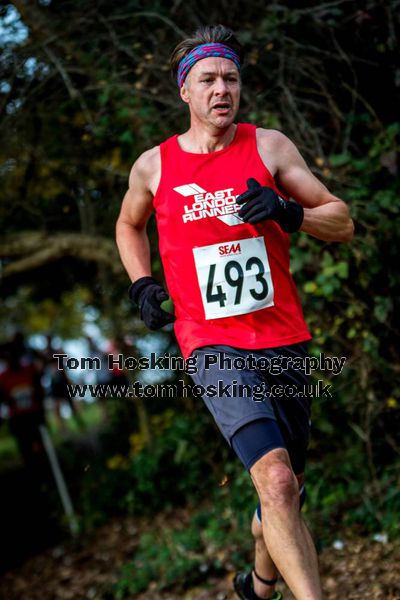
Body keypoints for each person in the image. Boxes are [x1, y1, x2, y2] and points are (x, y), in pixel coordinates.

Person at [116, 24, 354, 600]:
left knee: (286, 487)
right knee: (272, 477)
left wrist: (288, 212)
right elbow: (127, 224)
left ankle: (261, 581)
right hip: (212, 344)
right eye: (208, 80)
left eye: (231, 78)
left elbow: (341, 221)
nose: (222, 89)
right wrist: (141, 284)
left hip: (283, 338)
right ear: (186, 93)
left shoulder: (268, 147)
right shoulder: (155, 166)